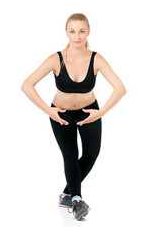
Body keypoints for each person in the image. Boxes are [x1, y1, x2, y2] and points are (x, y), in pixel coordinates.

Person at [21, 13, 125, 221]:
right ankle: (77, 200)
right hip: (61, 114)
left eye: (81, 31)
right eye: (72, 31)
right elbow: (27, 85)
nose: (77, 36)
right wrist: (48, 111)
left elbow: (120, 88)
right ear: (66, 33)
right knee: (70, 154)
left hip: (90, 111)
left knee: (92, 154)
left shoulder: (97, 59)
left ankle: (65, 194)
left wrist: (100, 112)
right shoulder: (56, 59)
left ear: (88, 32)